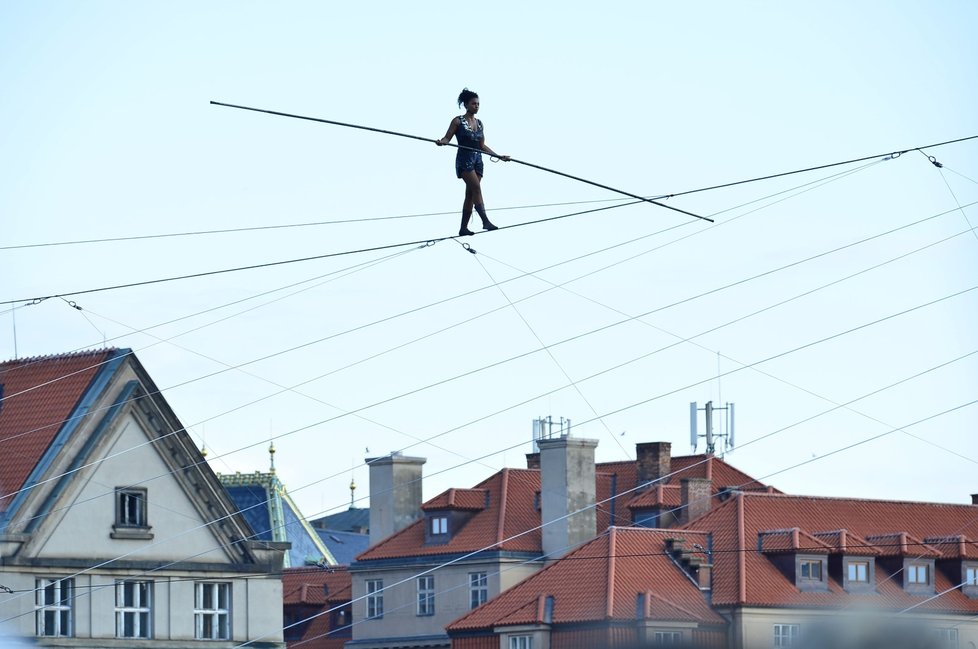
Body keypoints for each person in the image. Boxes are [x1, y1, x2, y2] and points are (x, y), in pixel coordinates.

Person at [435, 88, 510, 236]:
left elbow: (482, 146)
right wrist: (441, 142)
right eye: (473, 103)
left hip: (478, 161)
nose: (476, 106)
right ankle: (485, 221)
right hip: (465, 160)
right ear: (466, 105)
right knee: (476, 188)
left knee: (470, 194)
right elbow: (447, 138)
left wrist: (498, 156)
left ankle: (463, 228)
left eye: (478, 104)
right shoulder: (457, 121)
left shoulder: (480, 123)